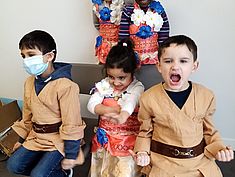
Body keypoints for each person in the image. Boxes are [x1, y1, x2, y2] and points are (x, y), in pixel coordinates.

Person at [129, 35, 234, 177]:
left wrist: (220, 150)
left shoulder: (206, 96)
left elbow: (209, 132)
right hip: (164, 163)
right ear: (159, 66)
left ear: (194, 66)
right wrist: (142, 152)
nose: (175, 66)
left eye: (183, 61)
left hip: (197, 163)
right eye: (168, 61)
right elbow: (145, 132)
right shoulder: (148, 98)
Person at [7, 30, 86, 177]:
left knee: (39, 174)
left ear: (49, 56)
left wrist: (71, 154)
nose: (26, 60)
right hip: (36, 137)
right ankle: (45, 166)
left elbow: (72, 123)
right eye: (23, 56)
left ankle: (63, 172)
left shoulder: (66, 86)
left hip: (58, 139)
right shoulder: (29, 82)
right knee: (13, 165)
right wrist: (21, 140)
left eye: (31, 55)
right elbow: (27, 116)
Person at [87, 38, 145, 177]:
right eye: (111, 77)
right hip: (104, 143)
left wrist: (122, 116)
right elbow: (92, 104)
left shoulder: (137, 87)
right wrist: (110, 110)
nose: (116, 82)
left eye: (121, 77)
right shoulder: (104, 85)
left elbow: (130, 103)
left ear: (132, 72)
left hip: (126, 143)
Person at [119, 0, 170, 65]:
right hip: (133, 61)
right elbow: (123, 37)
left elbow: (164, 37)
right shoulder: (128, 11)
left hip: (155, 60)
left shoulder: (159, 10)